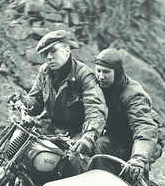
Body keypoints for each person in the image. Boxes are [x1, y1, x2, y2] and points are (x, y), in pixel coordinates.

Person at [19, 30, 107, 167]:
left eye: (53, 51)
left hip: (75, 132)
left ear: (67, 49)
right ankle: (20, 185)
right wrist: (23, 100)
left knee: (74, 159)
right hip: (50, 126)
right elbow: (36, 102)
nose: (48, 57)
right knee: (22, 144)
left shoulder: (83, 75)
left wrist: (87, 138)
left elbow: (96, 109)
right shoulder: (44, 71)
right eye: (44, 54)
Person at [92, 47, 165, 184]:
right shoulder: (96, 85)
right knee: (99, 145)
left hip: (147, 141)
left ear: (118, 72)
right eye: (98, 71)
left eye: (106, 72)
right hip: (118, 136)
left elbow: (144, 128)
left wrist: (139, 159)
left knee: (134, 172)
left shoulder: (133, 95)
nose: (101, 76)